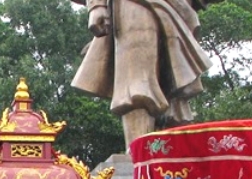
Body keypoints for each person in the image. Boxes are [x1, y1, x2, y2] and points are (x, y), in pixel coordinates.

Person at [70, 0, 217, 145]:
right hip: (133, 6)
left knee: (176, 91)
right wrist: (97, 5)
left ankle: (174, 153)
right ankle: (138, 153)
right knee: (137, 83)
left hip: (179, 8)